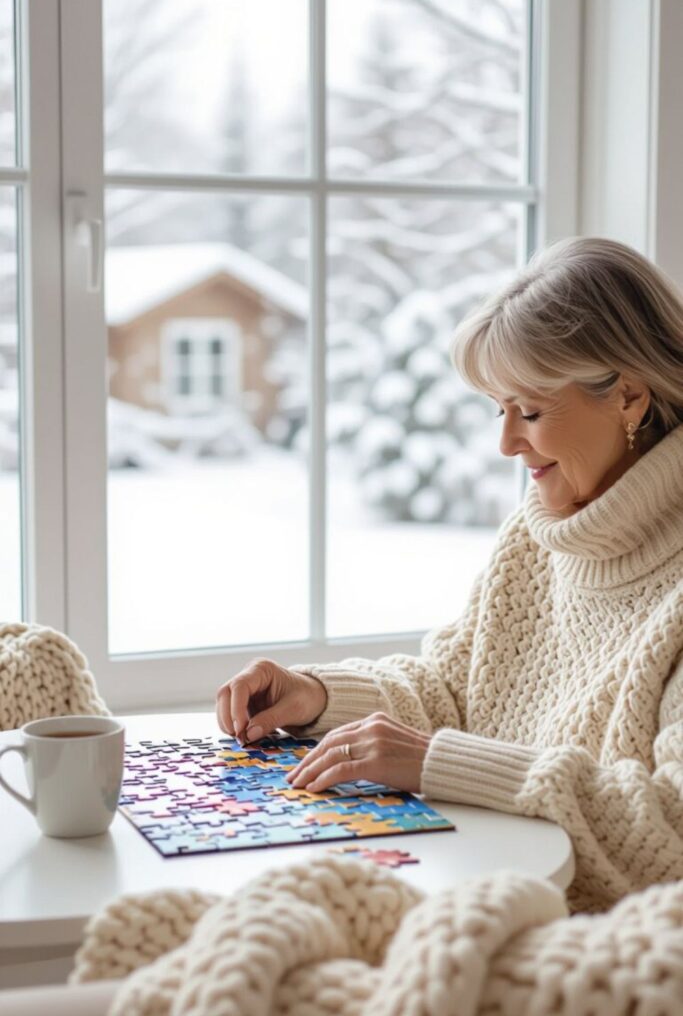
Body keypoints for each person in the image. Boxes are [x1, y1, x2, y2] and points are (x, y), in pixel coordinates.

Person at [216, 236, 683, 914]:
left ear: (629, 398)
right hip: (490, 901)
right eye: (498, 410)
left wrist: (441, 762)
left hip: (605, 958)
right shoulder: (537, 534)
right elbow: (456, 690)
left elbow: (669, 827)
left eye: (528, 411)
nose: (505, 443)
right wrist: (317, 696)